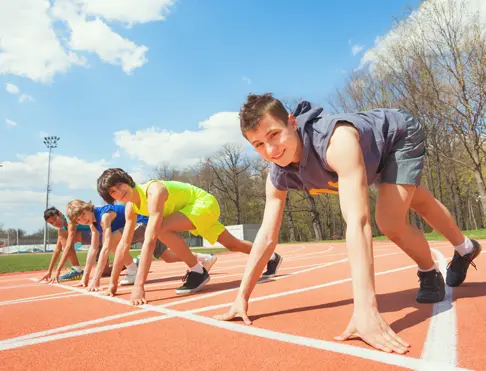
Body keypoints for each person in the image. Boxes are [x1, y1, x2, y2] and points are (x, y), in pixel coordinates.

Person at [214, 93, 482, 355]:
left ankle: (429, 272)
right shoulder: (277, 174)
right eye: (258, 145)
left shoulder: (336, 141)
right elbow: (266, 236)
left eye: (274, 134)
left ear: (292, 123)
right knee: (416, 199)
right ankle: (465, 247)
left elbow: (358, 222)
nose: (270, 150)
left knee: (388, 221)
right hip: (370, 156)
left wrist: (365, 310)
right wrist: (242, 296)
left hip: (398, 137)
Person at [96, 168, 282, 305]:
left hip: (202, 204)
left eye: (119, 185)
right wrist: (112, 283)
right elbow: (123, 244)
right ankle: (272, 257)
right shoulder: (131, 207)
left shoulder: (153, 191)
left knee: (160, 229)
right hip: (188, 212)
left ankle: (197, 271)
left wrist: (139, 285)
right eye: (113, 192)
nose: (119, 192)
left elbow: (150, 241)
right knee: (232, 244)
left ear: (128, 181)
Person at [66, 200, 218, 291]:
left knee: (111, 241)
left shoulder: (104, 217)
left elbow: (105, 247)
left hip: (143, 223)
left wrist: (96, 279)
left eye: (83, 215)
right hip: (136, 229)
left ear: (88, 208)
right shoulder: (93, 224)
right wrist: (85, 278)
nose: (82, 219)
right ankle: (205, 258)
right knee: (168, 257)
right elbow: (93, 249)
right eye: (78, 219)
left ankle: (132, 270)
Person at [39, 207, 110, 283]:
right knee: (105, 272)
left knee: (64, 236)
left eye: (55, 219)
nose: (55, 223)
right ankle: (121, 265)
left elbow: (68, 246)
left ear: (59, 214)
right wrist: (49, 270)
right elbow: (57, 249)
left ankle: (76, 269)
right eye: (51, 223)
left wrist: (58, 271)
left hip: (100, 236)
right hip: (96, 240)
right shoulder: (61, 228)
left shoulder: (71, 220)